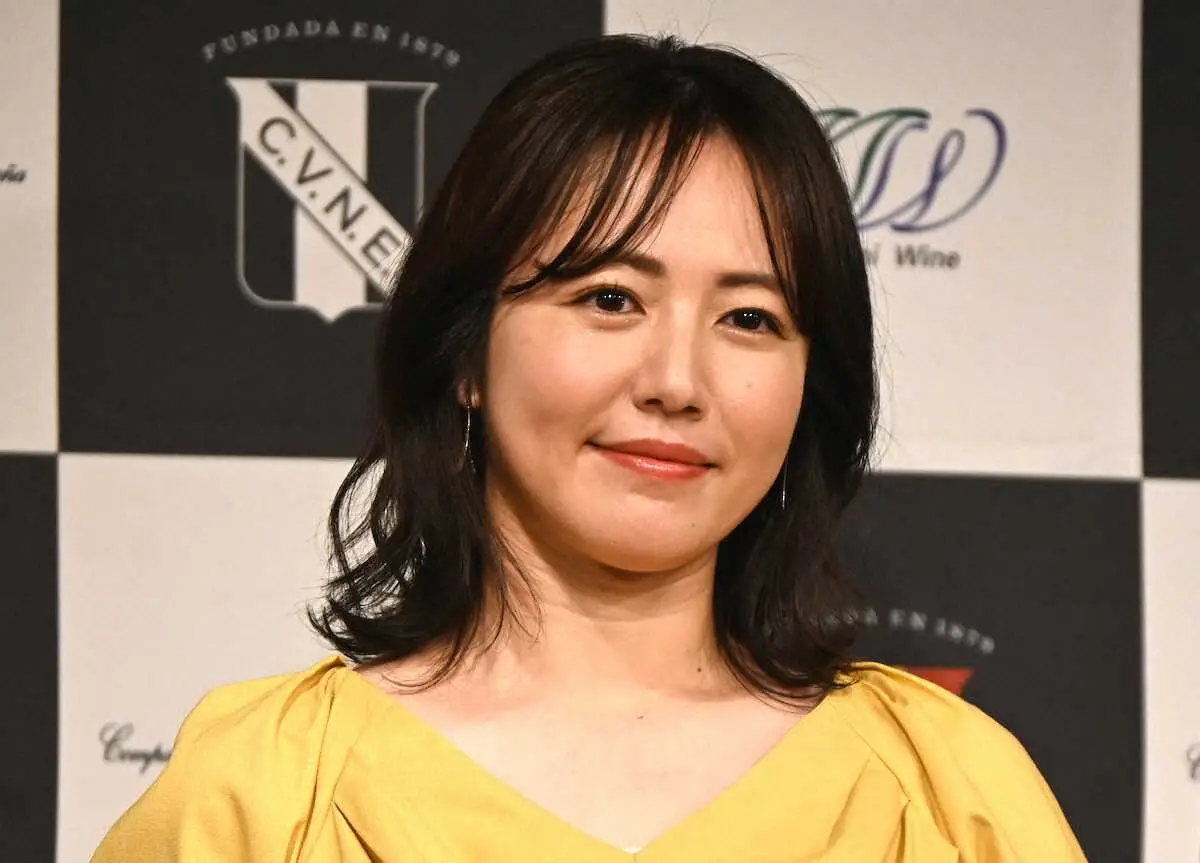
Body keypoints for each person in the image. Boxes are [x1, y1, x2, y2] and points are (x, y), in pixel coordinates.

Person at [91, 33, 1086, 862]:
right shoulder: (266, 798)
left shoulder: (947, 797)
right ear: (467, 352)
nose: (677, 380)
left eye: (749, 317)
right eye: (610, 298)